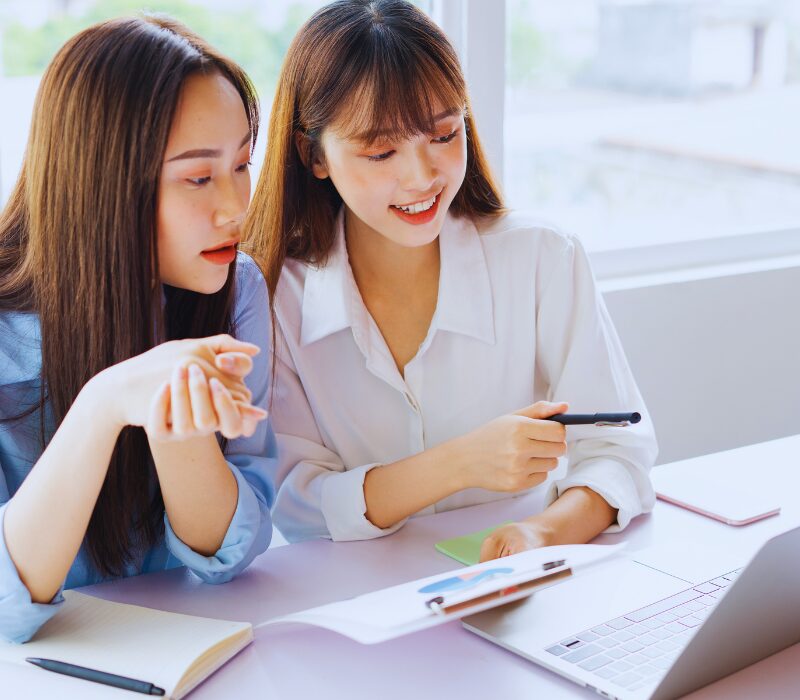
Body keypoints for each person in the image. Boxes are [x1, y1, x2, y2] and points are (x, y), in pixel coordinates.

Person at [246, 0, 656, 560]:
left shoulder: (542, 257)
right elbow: (297, 505)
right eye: (381, 150)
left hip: (521, 582)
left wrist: (541, 534)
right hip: (353, 604)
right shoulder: (272, 297)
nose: (422, 176)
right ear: (312, 154)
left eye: (443, 135)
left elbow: (617, 449)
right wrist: (460, 463)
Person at [0, 15, 275, 644]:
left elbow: (227, 556)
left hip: (186, 653)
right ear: (103, 185)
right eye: (199, 177)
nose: (237, 207)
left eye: (240, 166)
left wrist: (171, 414)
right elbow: (7, 607)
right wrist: (104, 403)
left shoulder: (239, 289)